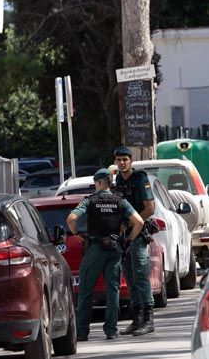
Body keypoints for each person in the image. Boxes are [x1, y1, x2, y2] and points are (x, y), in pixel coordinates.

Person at [66, 169, 145, 341]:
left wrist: (76, 233)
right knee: (113, 290)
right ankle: (111, 330)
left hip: (95, 248)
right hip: (115, 248)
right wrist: (129, 239)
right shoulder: (120, 201)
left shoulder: (90, 201)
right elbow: (139, 221)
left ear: (100, 182)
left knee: (86, 290)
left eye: (96, 183)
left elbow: (71, 218)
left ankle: (82, 332)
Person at [110, 146, 157, 336]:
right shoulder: (119, 179)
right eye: (119, 159)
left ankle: (148, 319)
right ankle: (137, 319)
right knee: (129, 277)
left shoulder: (140, 179)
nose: (122, 163)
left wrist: (130, 222)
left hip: (138, 234)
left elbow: (150, 208)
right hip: (123, 236)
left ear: (131, 161)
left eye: (125, 159)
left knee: (140, 276)